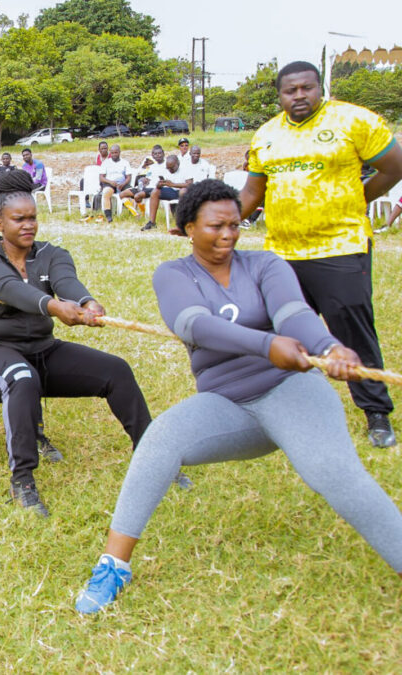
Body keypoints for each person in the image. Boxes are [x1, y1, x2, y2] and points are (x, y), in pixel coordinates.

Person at [74, 179, 402, 614]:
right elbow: (193, 324)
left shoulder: (266, 264)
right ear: (188, 227)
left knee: (335, 474)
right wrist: (267, 345)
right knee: (159, 441)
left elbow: (293, 314)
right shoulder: (173, 274)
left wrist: (328, 348)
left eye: (235, 225)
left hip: (292, 390)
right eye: (215, 226)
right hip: (227, 403)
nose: (228, 235)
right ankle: (113, 565)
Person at [0, 169, 156, 516]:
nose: (28, 225)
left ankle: (154, 456)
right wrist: (53, 306)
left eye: (33, 218)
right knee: (20, 378)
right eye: (18, 219)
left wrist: (87, 303)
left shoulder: (52, 253)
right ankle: (22, 480)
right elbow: (12, 290)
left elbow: (66, 281)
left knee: (116, 370)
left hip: (42, 352)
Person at [239, 60, 402, 447]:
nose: (299, 96)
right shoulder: (266, 135)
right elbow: (251, 194)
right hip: (282, 252)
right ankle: (286, 407)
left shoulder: (353, 121)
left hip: (340, 248)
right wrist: (210, 222)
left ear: (319, 88)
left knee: (352, 331)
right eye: (290, 90)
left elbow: (394, 167)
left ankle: (376, 412)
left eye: (307, 88)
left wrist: (358, 198)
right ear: (279, 95)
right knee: (284, 331)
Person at [142, 155, 191, 233]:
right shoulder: (166, 170)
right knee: (155, 192)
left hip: (181, 191)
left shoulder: (185, 169)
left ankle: (182, 223)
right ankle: (152, 222)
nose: (170, 170)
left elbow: (189, 184)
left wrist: (173, 184)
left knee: (183, 191)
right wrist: (159, 184)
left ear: (178, 163)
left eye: (172, 168)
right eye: (168, 168)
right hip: (171, 191)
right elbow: (162, 183)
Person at [121, 145, 166, 215]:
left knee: (137, 196)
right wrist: (143, 180)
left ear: (163, 153)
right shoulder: (151, 166)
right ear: (152, 155)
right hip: (146, 187)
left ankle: (143, 213)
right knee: (122, 194)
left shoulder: (167, 164)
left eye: (159, 153)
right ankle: (135, 214)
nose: (158, 155)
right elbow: (147, 177)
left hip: (156, 188)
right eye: (155, 154)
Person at [97, 144, 131, 222]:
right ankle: (108, 216)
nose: (114, 154)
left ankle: (132, 213)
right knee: (106, 193)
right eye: (112, 153)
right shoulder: (106, 162)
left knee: (131, 193)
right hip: (110, 183)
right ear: (110, 153)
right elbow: (101, 178)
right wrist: (110, 182)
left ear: (119, 152)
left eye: (116, 152)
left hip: (122, 184)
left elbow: (128, 177)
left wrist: (123, 184)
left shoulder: (125, 162)